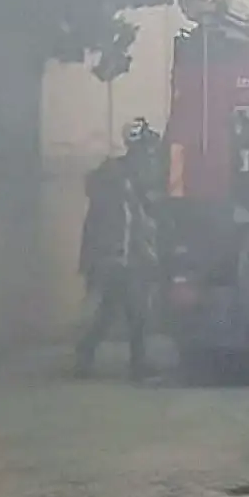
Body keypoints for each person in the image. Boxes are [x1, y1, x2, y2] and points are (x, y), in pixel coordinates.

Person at [75, 119, 160, 380]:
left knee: (112, 311)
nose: (149, 151)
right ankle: (135, 364)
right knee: (134, 311)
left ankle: (87, 354)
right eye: (145, 145)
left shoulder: (126, 176)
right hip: (119, 257)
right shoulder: (119, 179)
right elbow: (123, 223)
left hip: (122, 256)